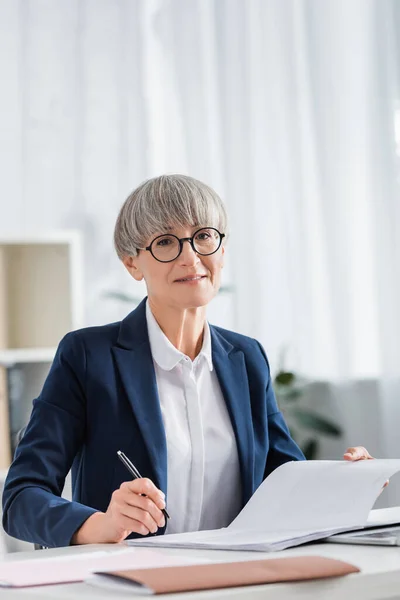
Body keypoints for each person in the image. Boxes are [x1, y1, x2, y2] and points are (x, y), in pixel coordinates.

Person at [2, 174, 373, 548]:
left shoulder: (247, 359)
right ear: (132, 263)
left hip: (236, 577)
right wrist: (98, 525)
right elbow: (20, 498)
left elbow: (286, 483)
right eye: (165, 242)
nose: (190, 256)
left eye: (204, 236)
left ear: (222, 250)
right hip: (129, 582)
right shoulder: (87, 356)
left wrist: (342, 482)